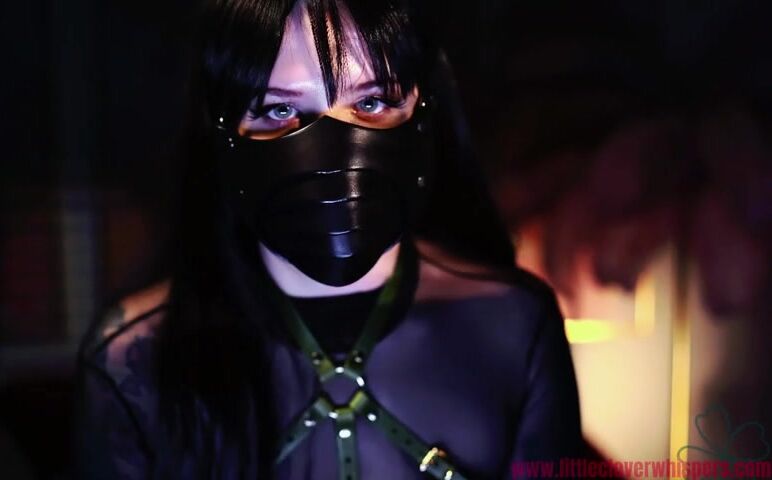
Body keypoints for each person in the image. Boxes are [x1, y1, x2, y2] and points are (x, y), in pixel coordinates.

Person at [75, 0, 584, 478]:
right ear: (222, 131)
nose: (333, 147)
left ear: (423, 108)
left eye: (372, 101)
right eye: (279, 110)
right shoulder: (135, 361)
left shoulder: (513, 324)